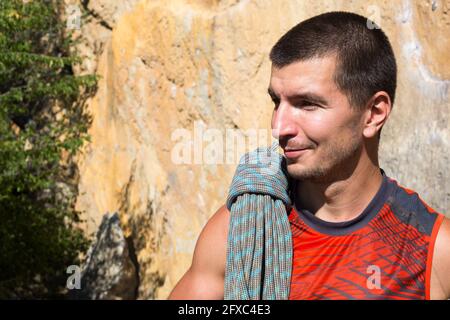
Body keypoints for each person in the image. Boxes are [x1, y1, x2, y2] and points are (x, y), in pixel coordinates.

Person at [168, 11, 450, 300]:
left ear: (373, 114)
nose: (279, 127)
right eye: (277, 101)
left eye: (307, 104)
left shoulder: (432, 250)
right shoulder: (243, 230)